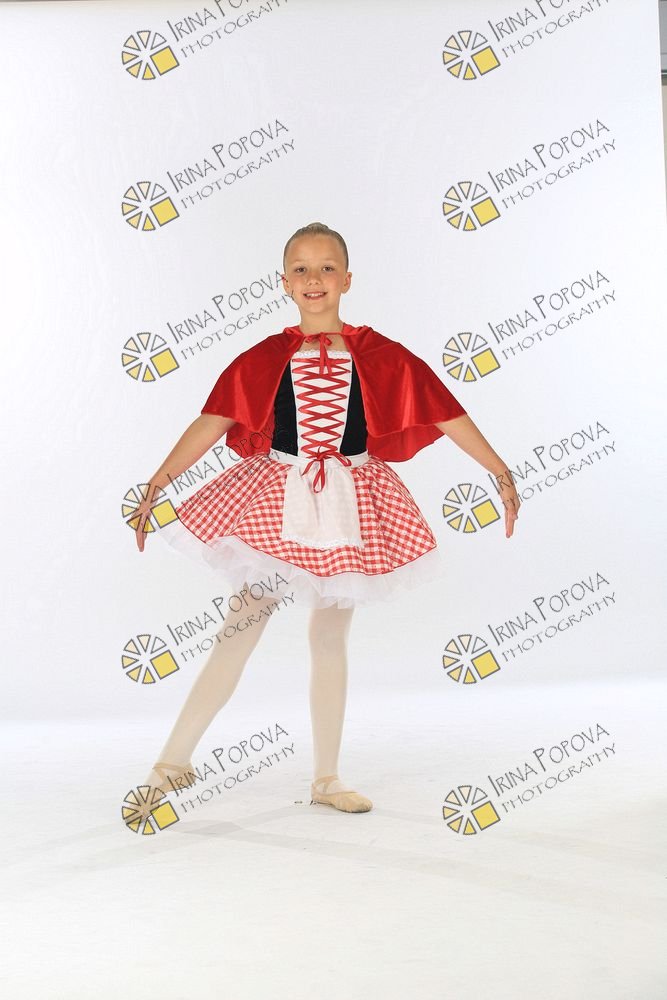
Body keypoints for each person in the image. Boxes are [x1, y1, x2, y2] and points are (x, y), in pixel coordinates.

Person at [131, 221, 521, 817]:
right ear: (284, 282)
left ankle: (327, 778)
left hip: (348, 499)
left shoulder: (381, 354)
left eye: (327, 267)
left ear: (347, 279)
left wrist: (500, 471)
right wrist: (159, 481)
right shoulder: (265, 357)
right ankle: (171, 762)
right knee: (242, 625)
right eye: (302, 269)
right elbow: (213, 419)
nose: (314, 279)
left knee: (329, 634)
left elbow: (445, 411)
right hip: (276, 494)